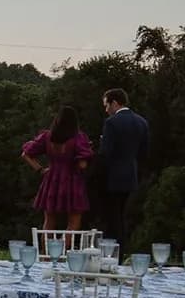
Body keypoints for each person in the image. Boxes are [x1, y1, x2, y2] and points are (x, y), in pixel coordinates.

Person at [21, 105, 93, 233]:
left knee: (48, 223)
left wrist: (40, 170)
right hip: (72, 181)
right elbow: (82, 165)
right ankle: (66, 251)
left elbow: (26, 154)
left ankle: (46, 252)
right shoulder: (78, 137)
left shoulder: (47, 137)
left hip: (51, 179)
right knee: (73, 223)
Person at [97, 87, 149, 246]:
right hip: (131, 175)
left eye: (106, 105)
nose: (106, 110)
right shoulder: (142, 122)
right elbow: (144, 152)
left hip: (113, 177)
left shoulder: (112, 122)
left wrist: (102, 142)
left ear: (114, 103)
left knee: (111, 218)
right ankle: (122, 249)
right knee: (122, 216)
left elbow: (105, 153)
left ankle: (112, 253)